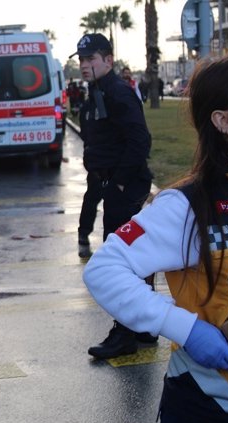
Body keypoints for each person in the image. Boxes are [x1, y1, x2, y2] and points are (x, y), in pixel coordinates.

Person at [83, 52, 228, 423]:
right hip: (217, 418)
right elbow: (105, 269)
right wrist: (186, 328)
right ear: (224, 120)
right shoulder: (190, 205)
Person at [71, 33, 154, 359]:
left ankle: (124, 334)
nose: (85, 66)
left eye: (91, 59)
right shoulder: (98, 93)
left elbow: (140, 140)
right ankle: (144, 325)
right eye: (82, 60)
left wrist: (118, 183)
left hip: (126, 188)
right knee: (138, 258)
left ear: (108, 60)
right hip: (113, 186)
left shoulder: (118, 92)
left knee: (119, 262)